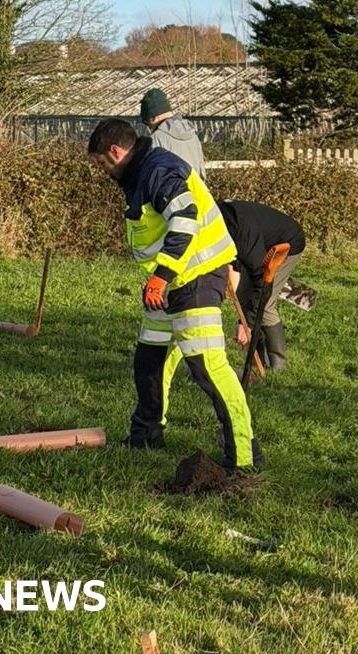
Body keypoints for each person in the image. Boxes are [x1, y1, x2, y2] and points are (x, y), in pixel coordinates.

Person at [87, 119, 262, 471]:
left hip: (195, 277)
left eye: (102, 164)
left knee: (206, 367)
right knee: (149, 358)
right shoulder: (141, 172)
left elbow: (185, 218)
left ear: (116, 152)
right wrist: (160, 277)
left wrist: (162, 276)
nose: (102, 172)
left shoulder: (158, 170)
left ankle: (243, 457)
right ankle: (145, 437)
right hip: (170, 280)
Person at [220, 200, 306, 370]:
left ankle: (278, 366)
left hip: (287, 243)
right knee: (247, 296)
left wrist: (247, 325)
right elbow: (235, 260)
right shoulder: (219, 222)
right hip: (260, 246)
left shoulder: (243, 234)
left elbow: (260, 280)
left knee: (265, 304)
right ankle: (258, 361)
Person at [140, 88, 207, 178]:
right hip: (196, 190)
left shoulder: (156, 139)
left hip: (172, 191)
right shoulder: (193, 136)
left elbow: (152, 177)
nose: (149, 127)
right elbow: (202, 172)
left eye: (146, 122)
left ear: (153, 118)